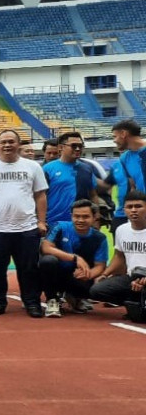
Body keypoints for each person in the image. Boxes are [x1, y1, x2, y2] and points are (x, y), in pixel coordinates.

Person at [0, 129, 48, 317]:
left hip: (27, 227)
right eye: (3, 142)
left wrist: (41, 221)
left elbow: (40, 195)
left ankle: (32, 303)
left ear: (19, 145)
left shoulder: (32, 167)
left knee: (29, 268)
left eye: (11, 141)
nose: (7, 145)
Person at [38, 199, 107, 317]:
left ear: (94, 217)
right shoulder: (60, 227)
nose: (80, 220)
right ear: (71, 216)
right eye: (77, 216)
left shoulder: (99, 238)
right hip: (56, 272)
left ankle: (74, 296)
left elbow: (100, 266)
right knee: (48, 261)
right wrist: (75, 258)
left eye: (85, 217)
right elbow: (46, 247)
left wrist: (88, 274)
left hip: (77, 276)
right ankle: (52, 300)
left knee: (97, 289)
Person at [89, 190, 146, 322]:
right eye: (129, 207)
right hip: (132, 277)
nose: (133, 210)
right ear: (124, 209)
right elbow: (119, 257)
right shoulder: (122, 229)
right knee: (97, 290)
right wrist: (104, 274)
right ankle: (134, 303)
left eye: (138, 206)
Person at [43, 132, 105, 226]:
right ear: (61, 147)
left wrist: (96, 218)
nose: (78, 149)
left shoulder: (86, 168)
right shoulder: (47, 169)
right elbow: (40, 196)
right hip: (54, 223)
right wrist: (41, 221)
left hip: (81, 224)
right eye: (74, 146)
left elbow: (93, 195)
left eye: (80, 146)